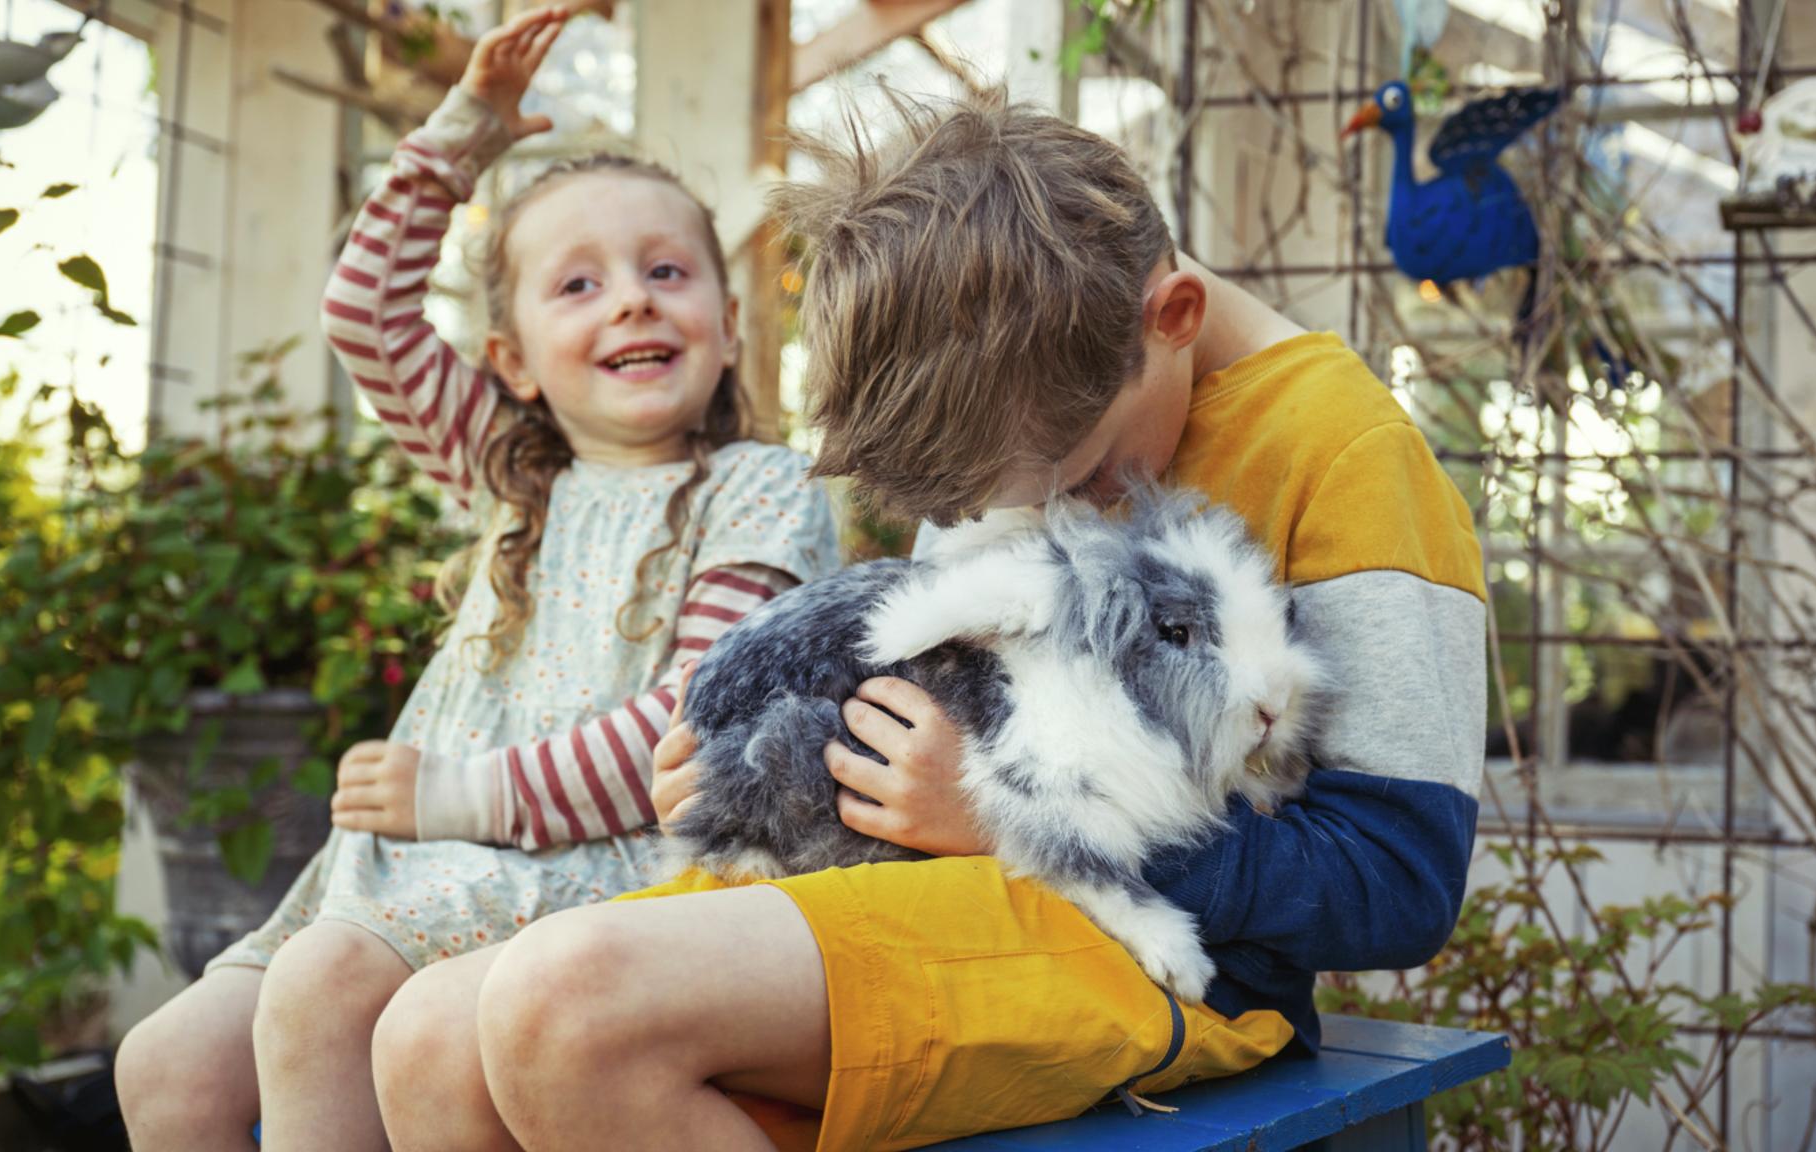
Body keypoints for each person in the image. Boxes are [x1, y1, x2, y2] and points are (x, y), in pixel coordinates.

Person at [369, 77, 1486, 1152]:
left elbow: (1396, 887)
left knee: (567, 1007)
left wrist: (1008, 813)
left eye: (1079, 477)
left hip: (1158, 961)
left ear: (1172, 318)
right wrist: (759, 778)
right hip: (913, 897)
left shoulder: (1346, 457)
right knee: (426, 1041)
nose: (1047, 515)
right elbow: (931, 694)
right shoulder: (1018, 413)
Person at [112, 8, 838, 1151]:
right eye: (577, 286)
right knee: (164, 1067)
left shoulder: (755, 488)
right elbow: (363, 311)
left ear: (732, 327)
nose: (632, 301)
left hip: (583, 871)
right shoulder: (511, 472)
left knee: (318, 993)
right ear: (510, 363)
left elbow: (695, 718)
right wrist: (462, 137)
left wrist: (459, 797)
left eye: (663, 271)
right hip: (391, 876)